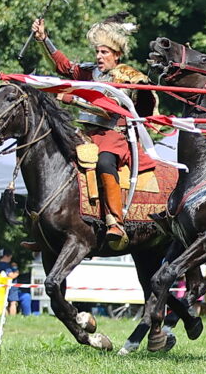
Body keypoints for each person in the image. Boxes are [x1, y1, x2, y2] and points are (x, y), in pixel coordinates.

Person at [32, 15, 159, 250]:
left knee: (104, 163)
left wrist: (70, 97)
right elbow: (65, 68)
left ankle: (115, 222)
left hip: (114, 135)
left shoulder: (129, 76)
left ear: (116, 54)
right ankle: (49, 226)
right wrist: (44, 39)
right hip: (87, 133)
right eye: (98, 52)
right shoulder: (91, 73)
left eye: (104, 52)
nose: (99, 56)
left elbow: (107, 107)